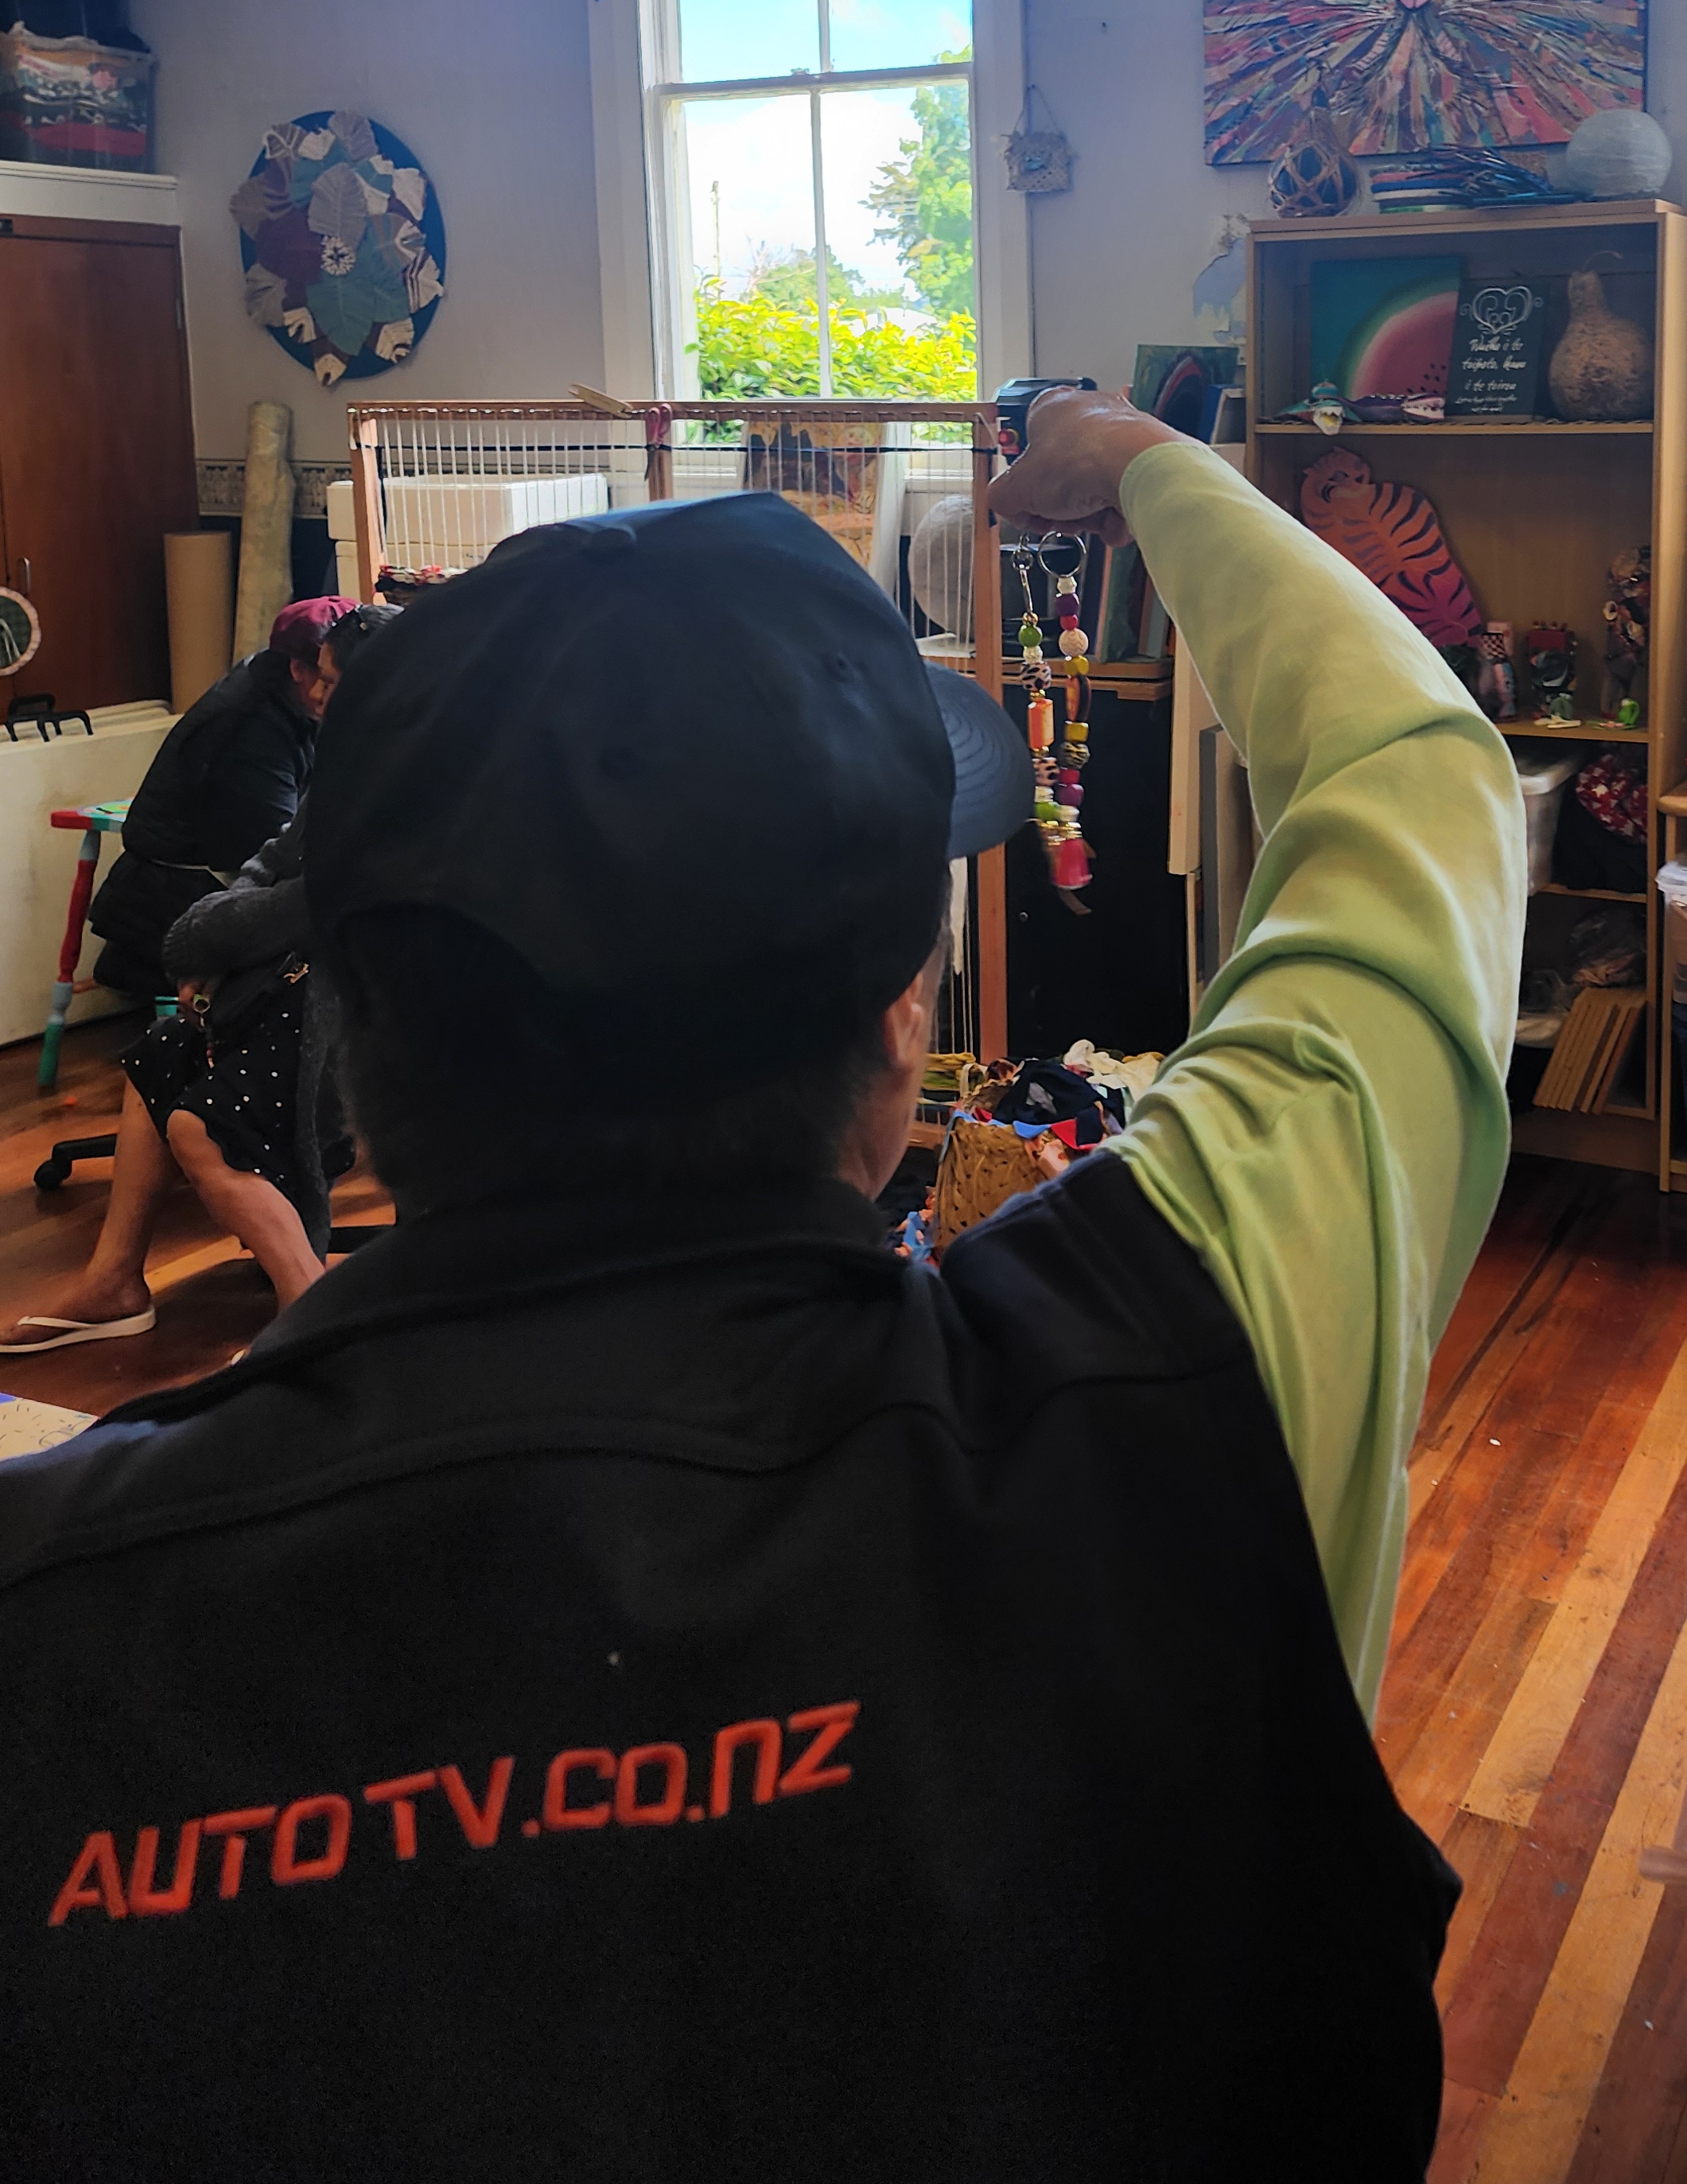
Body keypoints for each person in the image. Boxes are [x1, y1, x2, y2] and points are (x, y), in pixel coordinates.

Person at [0, 390, 1523, 2182]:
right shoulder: (1179, 1365)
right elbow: (1414, 779)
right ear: (904, 1011)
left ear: (362, 1015)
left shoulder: (54, 1615)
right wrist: (1140, 462)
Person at [7, 605, 401, 1354]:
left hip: (365, 1001)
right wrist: (214, 940)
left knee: (203, 1126)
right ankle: (115, 1282)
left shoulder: (404, 781)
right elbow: (272, 861)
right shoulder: (342, 752)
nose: (318, 694)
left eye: (333, 683)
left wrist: (210, 939)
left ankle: (311, 1325)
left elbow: (320, 899)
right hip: (297, 969)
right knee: (159, 1055)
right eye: (315, 678)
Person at [87, 596, 357, 1007]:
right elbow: (277, 852)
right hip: (173, 893)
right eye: (324, 678)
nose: (325, 692)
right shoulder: (252, 727)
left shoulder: (281, 693)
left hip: (209, 872)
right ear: (298, 669)